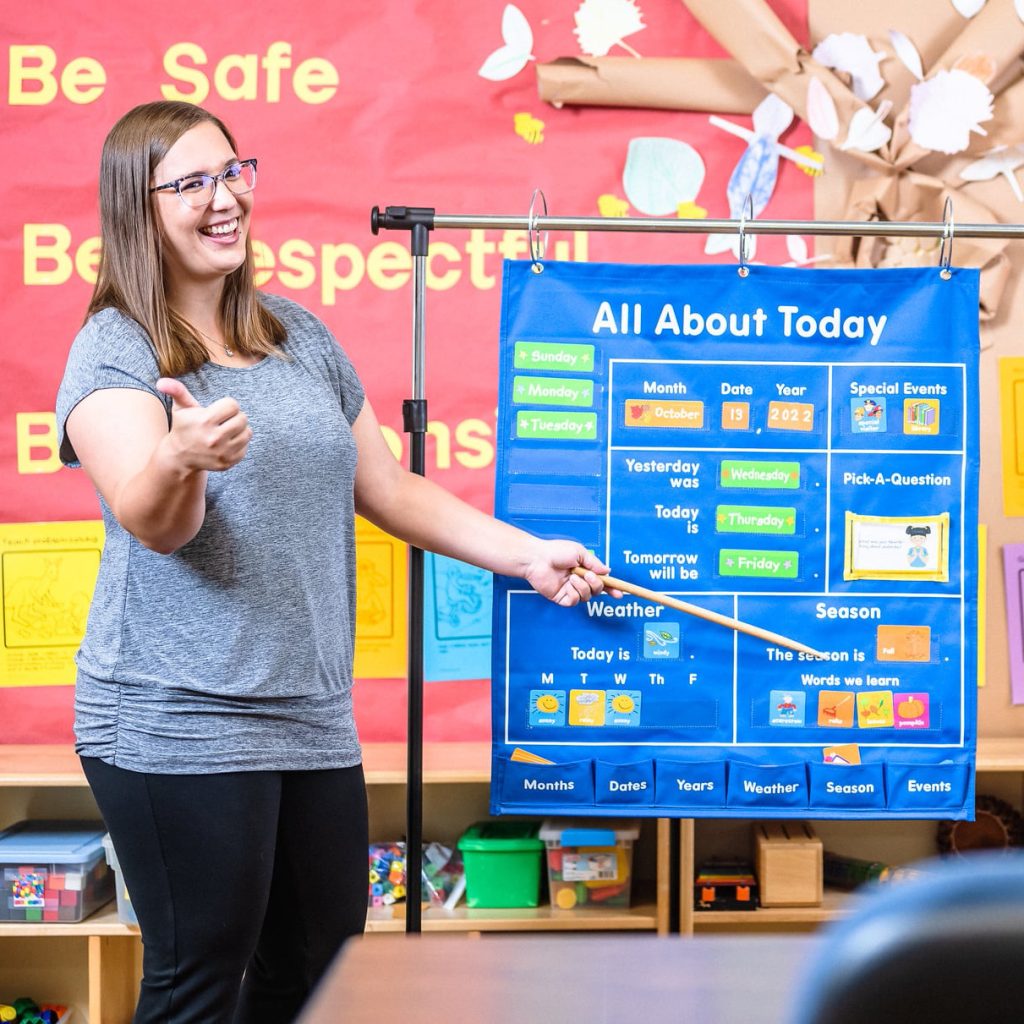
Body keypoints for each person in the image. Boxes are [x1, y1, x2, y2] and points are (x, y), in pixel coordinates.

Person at [55, 100, 612, 1024]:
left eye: (233, 172)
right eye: (190, 183)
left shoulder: (296, 335)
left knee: (320, 966)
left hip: (308, 709)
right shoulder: (115, 348)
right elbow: (153, 522)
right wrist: (179, 457)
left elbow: (388, 489)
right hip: (174, 712)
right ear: (137, 209)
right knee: (199, 979)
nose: (223, 198)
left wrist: (529, 558)